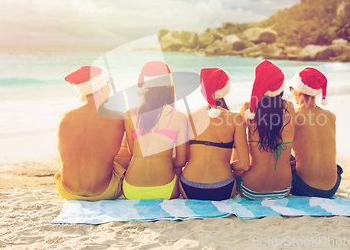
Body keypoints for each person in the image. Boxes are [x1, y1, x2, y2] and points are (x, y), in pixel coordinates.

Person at [56, 66, 131, 201]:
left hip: (67, 191)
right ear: (101, 88)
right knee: (125, 150)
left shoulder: (64, 117)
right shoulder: (119, 117)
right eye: (109, 85)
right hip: (104, 192)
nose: (110, 89)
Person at [180, 68, 249, 200]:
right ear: (226, 89)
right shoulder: (236, 119)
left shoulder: (189, 117)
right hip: (222, 189)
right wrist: (224, 165)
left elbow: (183, 160)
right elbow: (244, 165)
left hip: (189, 187)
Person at [123, 61, 187, 200]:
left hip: (132, 190)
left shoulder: (130, 115)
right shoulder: (179, 116)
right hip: (165, 191)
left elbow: (133, 152)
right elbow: (181, 161)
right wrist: (164, 161)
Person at [238, 61, 296, 200]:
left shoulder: (248, 109)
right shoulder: (290, 108)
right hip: (283, 190)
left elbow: (236, 145)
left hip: (250, 190)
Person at [289, 67, 342, 198]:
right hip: (332, 188)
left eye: (291, 89)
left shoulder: (293, 115)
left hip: (303, 187)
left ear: (298, 91)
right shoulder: (330, 116)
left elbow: (283, 149)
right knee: (336, 167)